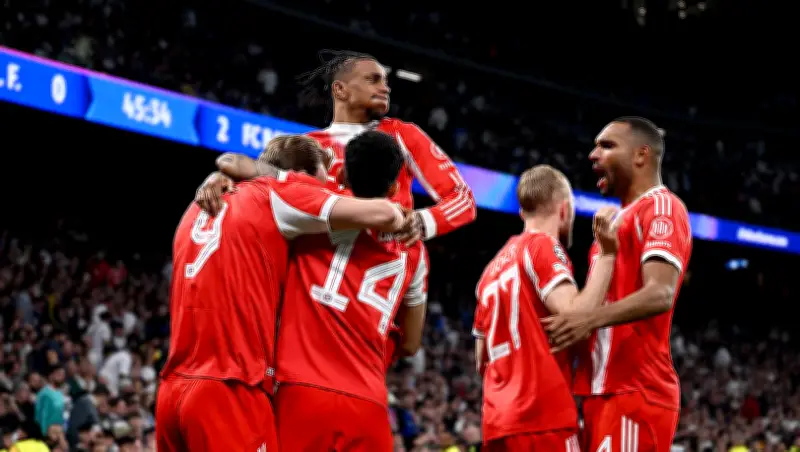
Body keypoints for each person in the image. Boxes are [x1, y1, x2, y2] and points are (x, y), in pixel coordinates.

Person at [155, 135, 410, 452]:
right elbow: (384, 215)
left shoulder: (195, 207)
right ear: (301, 175)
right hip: (230, 388)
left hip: (172, 393)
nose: (324, 188)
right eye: (320, 180)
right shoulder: (280, 193)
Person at [272, 131, 428, 451]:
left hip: (301, 390)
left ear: (342, 173)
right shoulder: (415, 249)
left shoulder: (313, 206)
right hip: (368, 403)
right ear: (393, 188)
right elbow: (411, 343)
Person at [544, 117, 693, 451]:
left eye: (607, 146)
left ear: (641, 155)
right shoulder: (613, 223)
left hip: (635, 391)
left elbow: (661, 293)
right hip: (599, 391)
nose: (593, 155)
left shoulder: (663, 206)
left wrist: (587, 319)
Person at [473, 165, 619, 452]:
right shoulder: (541, 246)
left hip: (497, 424)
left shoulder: (490, 272)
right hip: (541, 418)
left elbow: (481, 359)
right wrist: (607, 255)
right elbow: (576, 316)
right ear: (564, 210)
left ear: (522, 213)